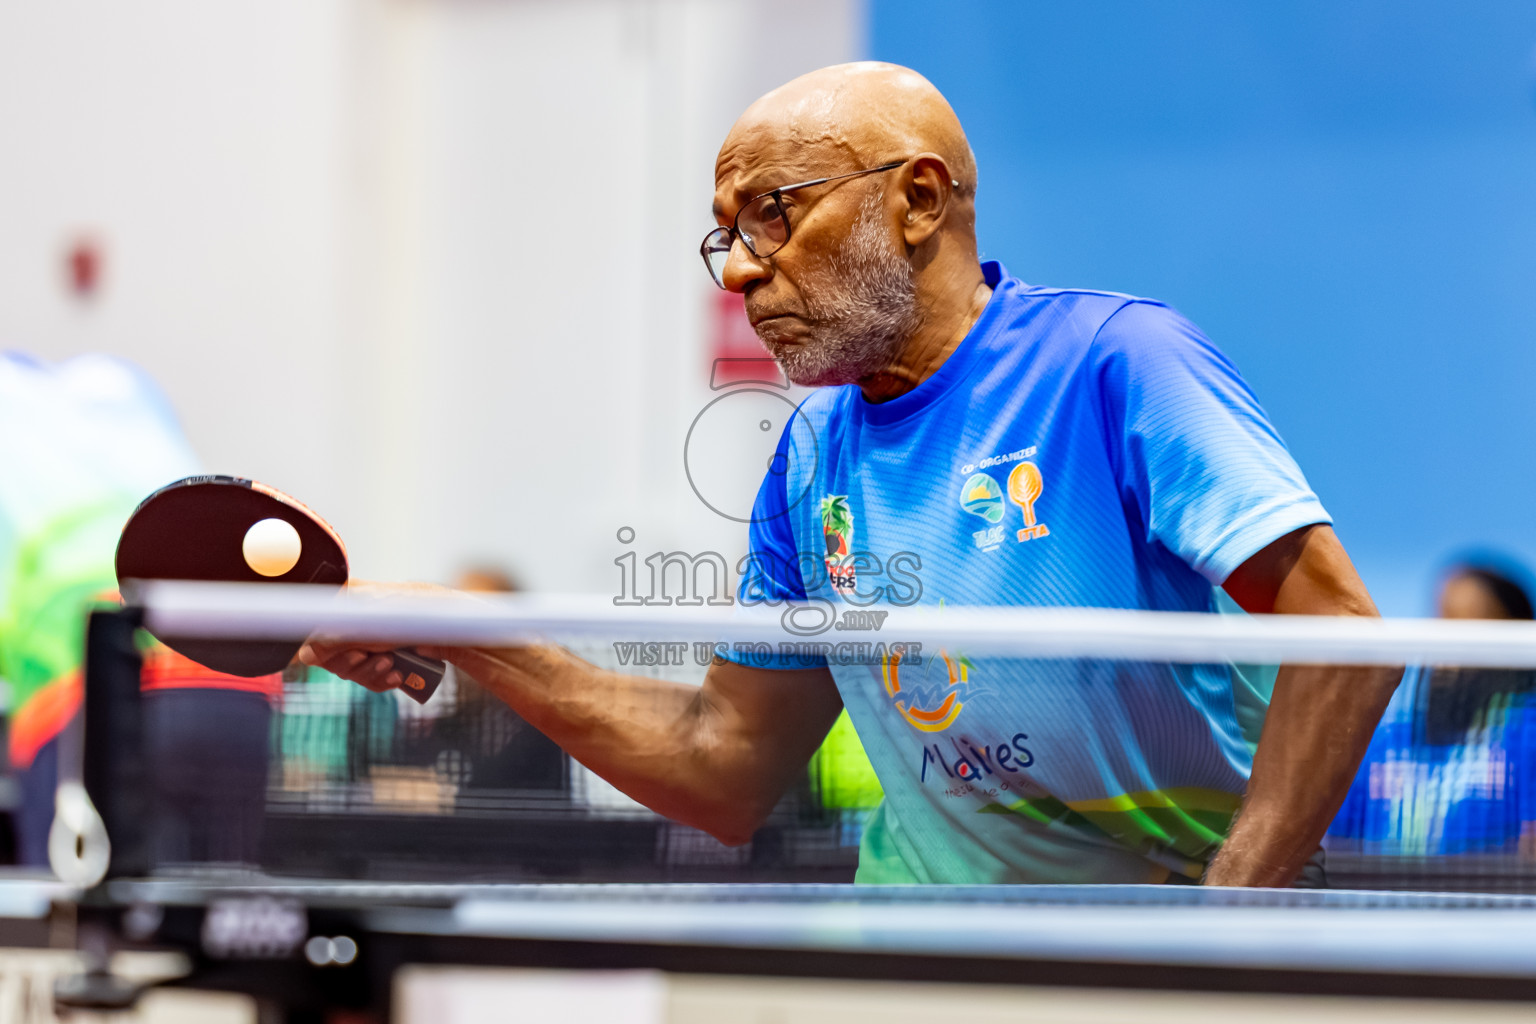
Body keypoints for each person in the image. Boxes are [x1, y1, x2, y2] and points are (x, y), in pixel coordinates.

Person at [304, 62, 1401, 886]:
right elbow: (723, 765)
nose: (738, 267)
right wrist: (463, 629)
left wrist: (1231, 914)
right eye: (724, 232)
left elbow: (1342, 636)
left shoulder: (1117, 365)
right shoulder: (812, 454)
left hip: (1145, 963)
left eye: (772, 211)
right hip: (916, 959)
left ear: (918, 201)